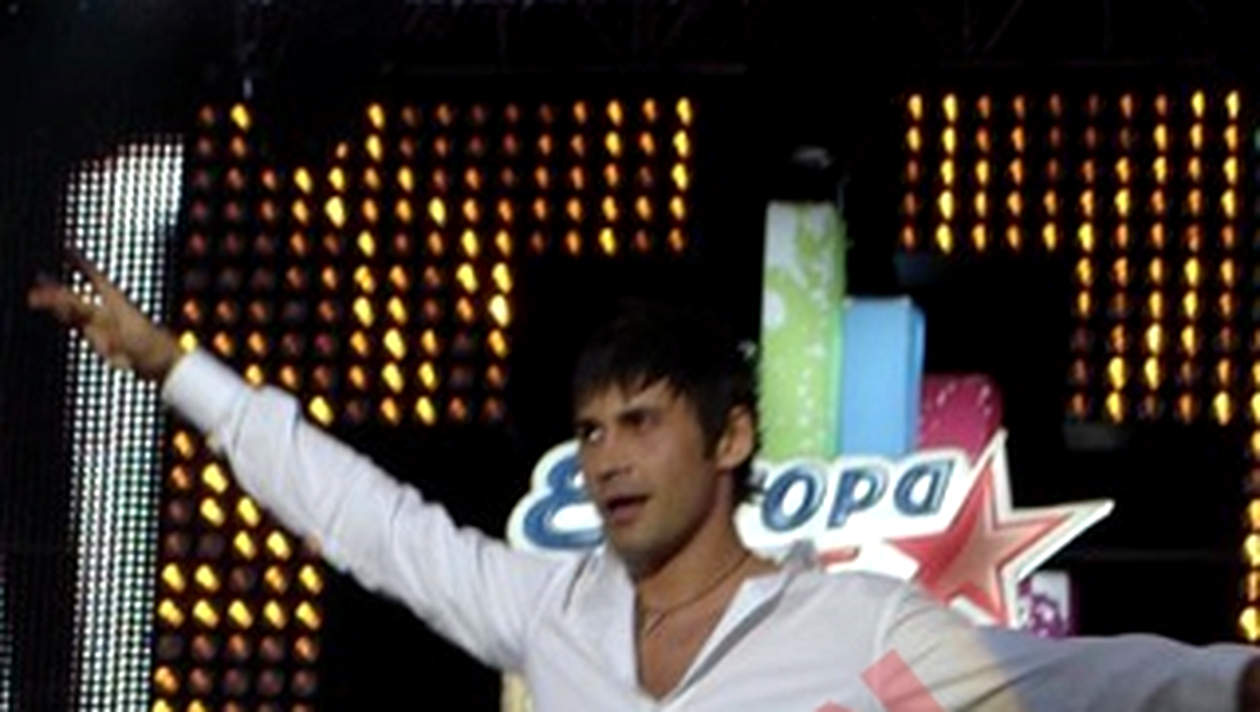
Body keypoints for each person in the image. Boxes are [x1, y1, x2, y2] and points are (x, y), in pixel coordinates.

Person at [28, 249, 1260, 711]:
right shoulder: (547, 609)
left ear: (729, 440)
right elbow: (366, 517)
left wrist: (1235, 681)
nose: (605, 455)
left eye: (639, 421)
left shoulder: (855, 627)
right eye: (588, 429)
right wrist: (175, 368)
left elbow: (1074, 682)